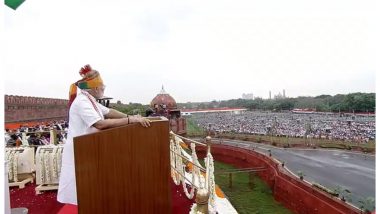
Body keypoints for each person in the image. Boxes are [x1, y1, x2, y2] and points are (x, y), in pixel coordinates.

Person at [57, 64, 151, 205]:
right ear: (96, 88)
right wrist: (131, 120)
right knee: (82, 191)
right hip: (80, 150)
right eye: (103, 87)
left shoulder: (90, 99)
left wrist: (130, 116)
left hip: (90, 148)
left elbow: (109, 112)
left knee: (90, 190)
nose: (104, 89)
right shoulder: (82, 101)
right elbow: (99, 124)